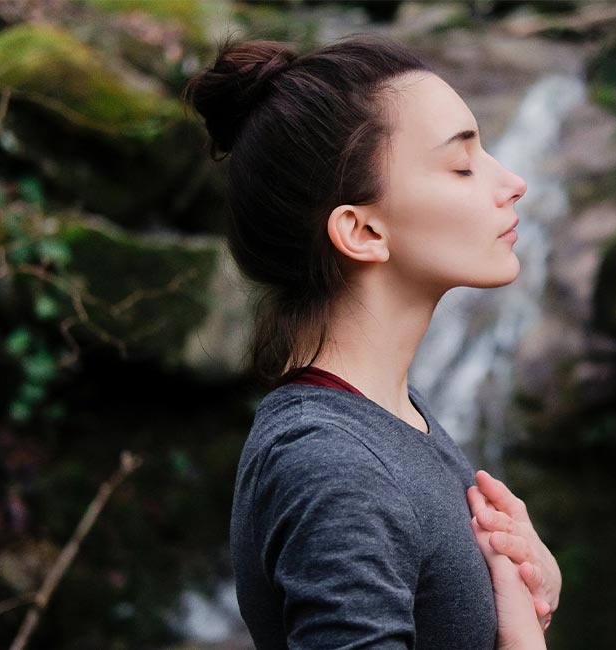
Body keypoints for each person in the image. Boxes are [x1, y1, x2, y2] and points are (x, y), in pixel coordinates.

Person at [185, 33, 561, 649]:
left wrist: (529, 591)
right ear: (360, 230)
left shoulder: (392, 417)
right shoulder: (331, 465)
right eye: (462, 165)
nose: (513, 181)